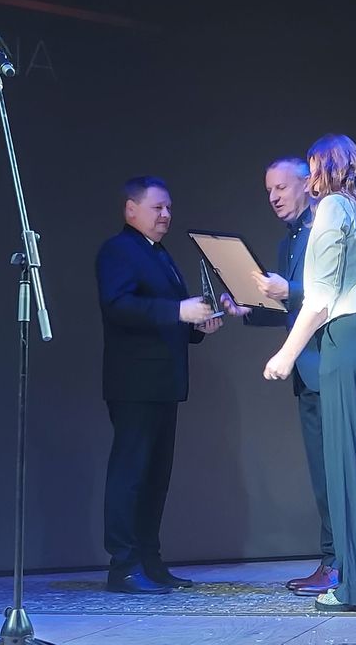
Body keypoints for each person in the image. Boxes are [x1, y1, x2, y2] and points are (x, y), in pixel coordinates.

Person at [263, 134, 356, 612]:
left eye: (313, 172)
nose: (311, 183)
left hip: (348, 341)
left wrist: (286, 354)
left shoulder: (332, 208)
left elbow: (321, 298)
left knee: (350, 470)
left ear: (326, 170)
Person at [96, 175, 222, 594]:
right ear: (131, 209)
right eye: (157, 207)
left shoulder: (159, 253)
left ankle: (150, 560)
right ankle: (124, 565)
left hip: (164, 383)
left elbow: (170, 316)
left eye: (168, 207)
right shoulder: (118, 250)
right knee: (131, 473)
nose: (166, 214)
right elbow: (119, 306)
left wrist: (198, 325)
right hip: (134, 383)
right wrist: (178, 312)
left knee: (155, 478)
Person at [222, 157, 338, 596]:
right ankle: (333, 560)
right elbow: (289, 309)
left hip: (329, 364)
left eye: (281, 188)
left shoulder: (322, 231)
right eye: (268, 190)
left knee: (336, 474)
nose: (273, 197)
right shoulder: (288, 241)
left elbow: (332, 295)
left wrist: (288, 290)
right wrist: (248, 310)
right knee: (323, 475)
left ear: (307, 184)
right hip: (307, 373)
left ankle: (341, 563)